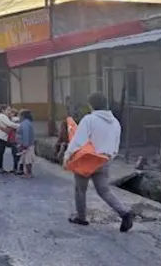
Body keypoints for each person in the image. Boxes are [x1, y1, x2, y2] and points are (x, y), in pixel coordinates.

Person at [64, 92, 134, 232]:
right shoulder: (115, 122)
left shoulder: (89, 120)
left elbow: (79, 140)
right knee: (104, 190)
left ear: (91, 105)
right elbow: (116, 144)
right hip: (103, 160)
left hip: (86, 159)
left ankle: (81, 217)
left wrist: (68, 155)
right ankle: (124, 213)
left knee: (80, 190)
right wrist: (110, 156)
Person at [0, 105, 19, 175]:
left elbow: (10, 125)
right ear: (3, 110)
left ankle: (0, 168)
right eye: (8, 110)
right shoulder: (2, 116)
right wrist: (21, 125)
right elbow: (10, 124)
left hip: (1, 138)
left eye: (10, 110)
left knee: (0, 153)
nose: (9, 112)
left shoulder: (5, 117)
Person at [17, 109, 36, 178]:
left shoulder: (25, 124)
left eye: (19, 115)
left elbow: (26, 135)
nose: (18, 116)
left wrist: (24, 145)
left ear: (23, 116)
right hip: (28, 144)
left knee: (27, 159)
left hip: (27, 145)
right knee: (26, 159)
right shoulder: (27, 122)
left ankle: (28, 173)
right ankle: (27, 173)